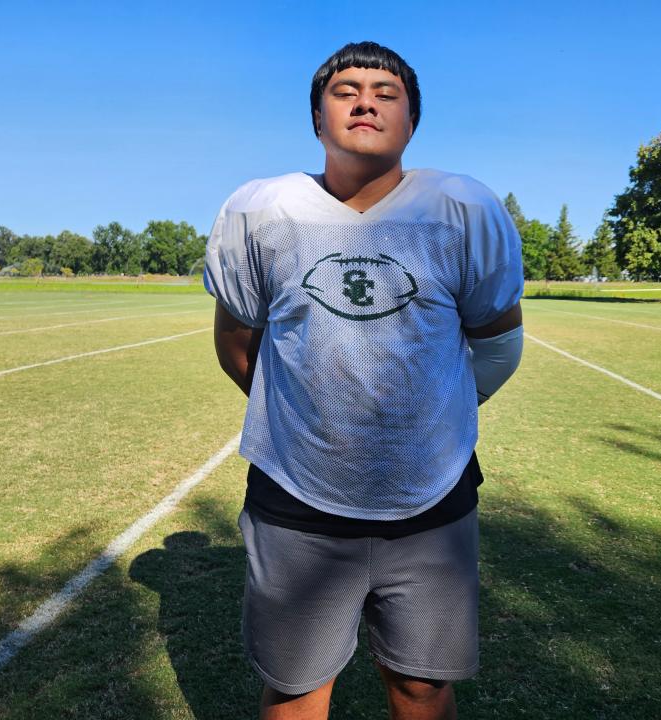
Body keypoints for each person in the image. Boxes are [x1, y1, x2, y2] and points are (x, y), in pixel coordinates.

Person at [204, 41, 524, 720]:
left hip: (431, 496)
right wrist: (309, 416)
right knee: (295, 688)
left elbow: (498, 342)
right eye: (346, 90)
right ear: (317, 118)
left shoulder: (460, 208)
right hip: (296, 494)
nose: (366, 100)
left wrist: (431, 416)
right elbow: (238, 341)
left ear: (412, 120)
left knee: (421, 684)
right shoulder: (262, 211)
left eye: (386, 91)